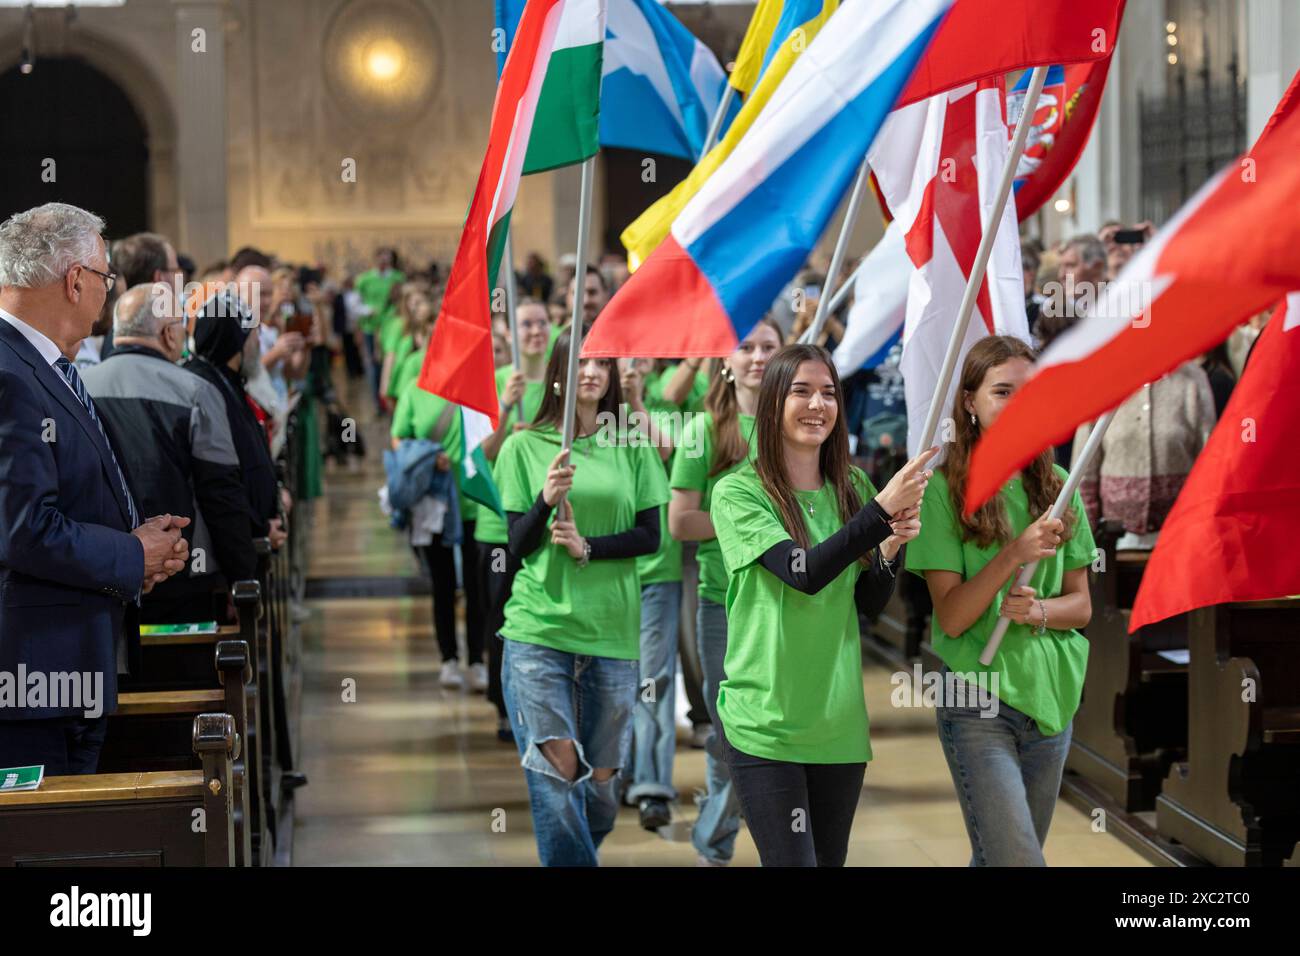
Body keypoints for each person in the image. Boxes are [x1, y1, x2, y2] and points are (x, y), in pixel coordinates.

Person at [708, 343, 929, 867]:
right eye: (801, 391)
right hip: (764, 722)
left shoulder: (852, 485)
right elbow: (801, 573)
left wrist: (891, 547)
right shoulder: (739, 492)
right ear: (772, 402)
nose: (818, 405)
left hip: (837, 722)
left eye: (829, 393)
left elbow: (869, 604)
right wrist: (878, 515)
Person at [0, 203, 189, 773]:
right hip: (32, 678)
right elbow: (23, 529)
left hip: (67, 667)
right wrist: (133, 554)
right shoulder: (8, 373)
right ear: (75, 280)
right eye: (106, 278)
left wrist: (139, 545)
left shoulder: (47, 365)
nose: (108, 293)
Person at [906, 334, 1095, 867]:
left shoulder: (1060, 484)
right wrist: (1014, 553)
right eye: (1002, 392)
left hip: (1051, 694)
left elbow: (1080, 607)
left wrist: (1037, 611)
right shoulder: (942, 490)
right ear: (970, 401)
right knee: (1018, 860)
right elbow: (953, 615)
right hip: (977, 697)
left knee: (999, 858)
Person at [496, 325, 669, 866]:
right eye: (578, 363)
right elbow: (518, 546)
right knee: (557, 769)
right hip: (538, 630)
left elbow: (650, 536)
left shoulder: (631, 446)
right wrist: (546, 500)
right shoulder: (524, 446)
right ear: (557, 376)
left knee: (601, 782)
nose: (590, 372)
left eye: (601, 363)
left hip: (612, 629)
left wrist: (588, 545)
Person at [668, 318, 782, 866]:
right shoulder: (704, 430)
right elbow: (680, 523)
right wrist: (754, 526)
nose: (757, 357)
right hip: (724, 599)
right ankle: (716, 841)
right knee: (727, 727)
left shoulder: (801, 425)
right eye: (746, 346)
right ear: (724, 359)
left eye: (769, 347)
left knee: (771, 731)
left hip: (790, 601)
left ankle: (741, 834)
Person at [82, 283, 257, 624]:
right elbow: (221, 493)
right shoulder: (196, 392)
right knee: (189, 672)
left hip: (103, 571)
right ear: (168, 334)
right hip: (183, 573)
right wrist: (242, 578)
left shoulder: (78, 386)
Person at [476, 300, 551, 731]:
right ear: (511, 334)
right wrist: (506, 411)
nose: (536, 331)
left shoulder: (562, 384)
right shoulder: (501, 383)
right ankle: (504, 705)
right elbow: (484, 454)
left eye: (542, 322)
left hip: (544, 517)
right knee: (501, 614)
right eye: (526, 324)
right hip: (500, 524)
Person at [391, 348, 485, 691]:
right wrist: (430, 457)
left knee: (477, 585)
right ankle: (448, 658)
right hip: (434, 502)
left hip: (474, 502)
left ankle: (477, 658)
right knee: (443, 584)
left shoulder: (477, 387)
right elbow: (399, 437)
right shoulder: (416, 390)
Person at [1071, 361, 1216, 550]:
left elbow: (1211, 468)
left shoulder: (1192, 380)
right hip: (1112, 541)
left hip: (1180, 539)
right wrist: (1085, 546)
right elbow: (1084, 475)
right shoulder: (1102, 382)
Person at [185, 290, 286, 548]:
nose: (259, 340)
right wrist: (258, 528)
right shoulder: (208, 390)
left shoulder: (230, 381)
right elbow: (219, 482)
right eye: (254, 332)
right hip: (230, 549)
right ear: (237, 340)